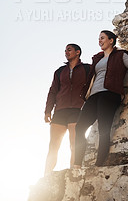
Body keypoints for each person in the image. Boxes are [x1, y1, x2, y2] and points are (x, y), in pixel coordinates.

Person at [74, 30, 128, 168]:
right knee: (80, 127)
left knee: (104, 128)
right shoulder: (97, 58)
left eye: (102, 38)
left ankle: (99, 164)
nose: (99, 40)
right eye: (98, 38)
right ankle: (77, 164)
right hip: (94, 96)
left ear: (111, 40)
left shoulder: (120, 55)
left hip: (109, 94)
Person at [44, 44, 90, 175]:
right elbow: (53, 91)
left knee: (74, 144)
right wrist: (48, 110)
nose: (66, 52)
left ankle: (73, 174)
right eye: (65, 50)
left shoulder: (87, 68)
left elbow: (103, 71)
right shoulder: (59, 71)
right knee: (53, 145)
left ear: (77, 52)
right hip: (60, 111)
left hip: (77, 109)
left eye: (69, 50)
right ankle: (46, 175)